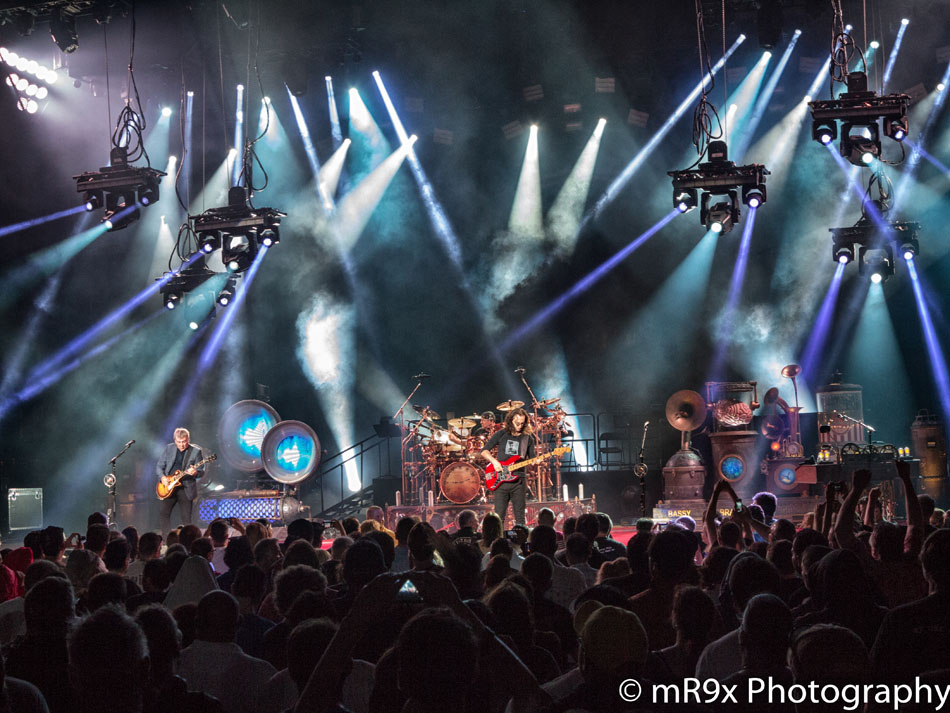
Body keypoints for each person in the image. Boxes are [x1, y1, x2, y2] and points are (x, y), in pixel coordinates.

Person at [480, 407, 535, 526]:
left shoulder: (528, 438)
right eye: (517, 423)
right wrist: (494, 462)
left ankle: (521, 542)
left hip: (519, 482)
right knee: (499, 518)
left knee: (520, 517)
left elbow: (531, 460)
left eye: (522, 423)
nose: (520, 426)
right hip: (500, 480)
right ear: (510, 421)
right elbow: (484, 451)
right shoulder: (501, 434)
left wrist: (536, 462)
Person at [156, 428, 207, 535]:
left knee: (186, 518)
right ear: (175, 440)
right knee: (163, 513)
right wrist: (163, 477)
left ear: (188, 439)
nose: (182, 445)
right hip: (169, 486)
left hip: (185, 487)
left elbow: (201, 471)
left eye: (184, 442)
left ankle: (188, 542)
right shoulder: (169, 448)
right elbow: (159, 466)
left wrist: (195, 473)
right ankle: (166, 541)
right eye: (179, 442)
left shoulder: (196, 451)